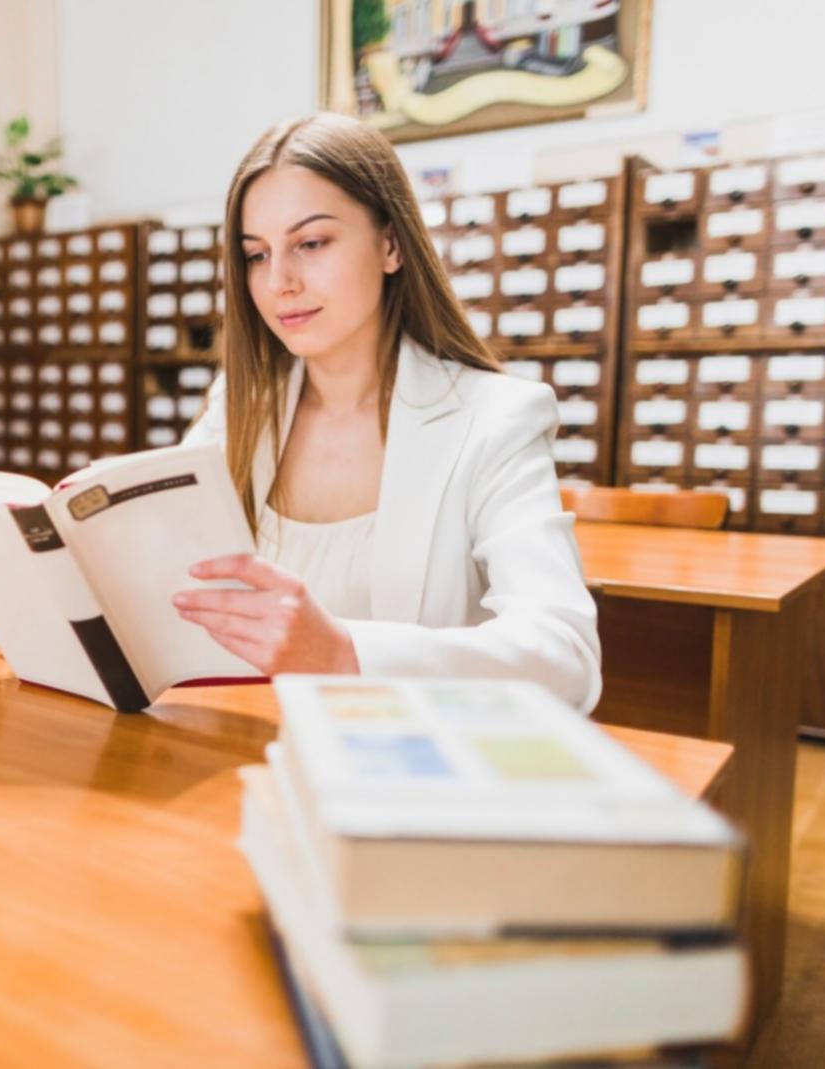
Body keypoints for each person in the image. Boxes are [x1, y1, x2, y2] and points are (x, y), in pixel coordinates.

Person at [171, 112, 601, 712]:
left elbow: (566, 656)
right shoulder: (238, 410)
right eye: (255, 255)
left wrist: (347, 653)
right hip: (252, 748)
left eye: (311, 243)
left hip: (413, 764)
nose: (280, 283)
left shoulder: (496, 418)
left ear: (391, 245)